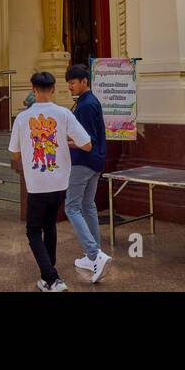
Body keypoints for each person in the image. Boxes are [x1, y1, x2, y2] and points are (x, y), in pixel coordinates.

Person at [9, 71, 91, 292]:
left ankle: (53, 278)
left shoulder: (22, 118)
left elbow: (14, 154)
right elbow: (87, 144)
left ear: (33, 89)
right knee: (49, 225)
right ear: (54, 89)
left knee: (33, 231)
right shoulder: (64, 114)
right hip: (60, 182)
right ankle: (48, 277)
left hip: (36, 184)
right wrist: (65, 142)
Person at [64, 63, 111, 283]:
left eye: (73, 82)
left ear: (84, 81)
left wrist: (63, 142)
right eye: (68, 83)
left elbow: (85, 142)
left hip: (82, 162)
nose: (70, 87)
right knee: (87, 205)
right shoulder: (91, 101)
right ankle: (93, 255)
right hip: (96, 162)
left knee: (71, 206)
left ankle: (94, 254)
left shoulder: (84, 106)